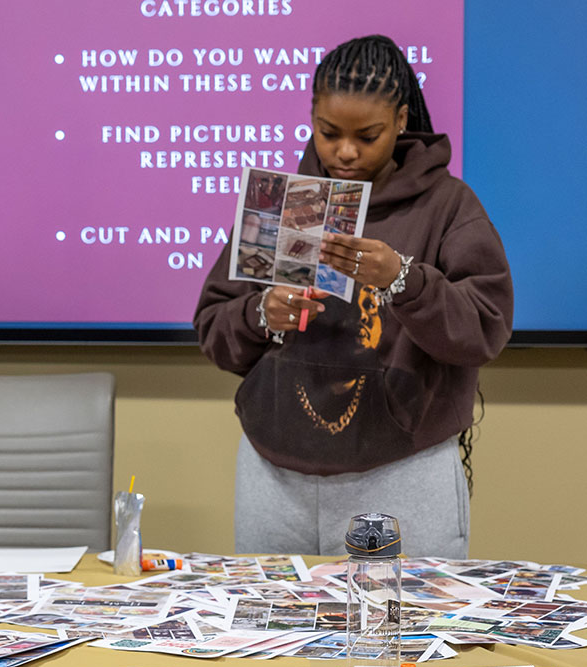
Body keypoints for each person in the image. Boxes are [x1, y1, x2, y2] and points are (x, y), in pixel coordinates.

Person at [193, 34, 512, 558]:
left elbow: (485, 329)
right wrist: (261, 313)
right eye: (328, 132)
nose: (345, 151)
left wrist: (404, 280)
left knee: (400, 639)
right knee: (275, 639)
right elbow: (214, 329)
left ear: (402, 120)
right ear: (312, 118)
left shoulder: (447, 205)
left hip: (401, 471)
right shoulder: (286, 202)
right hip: (273, 474)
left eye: (368, 135)